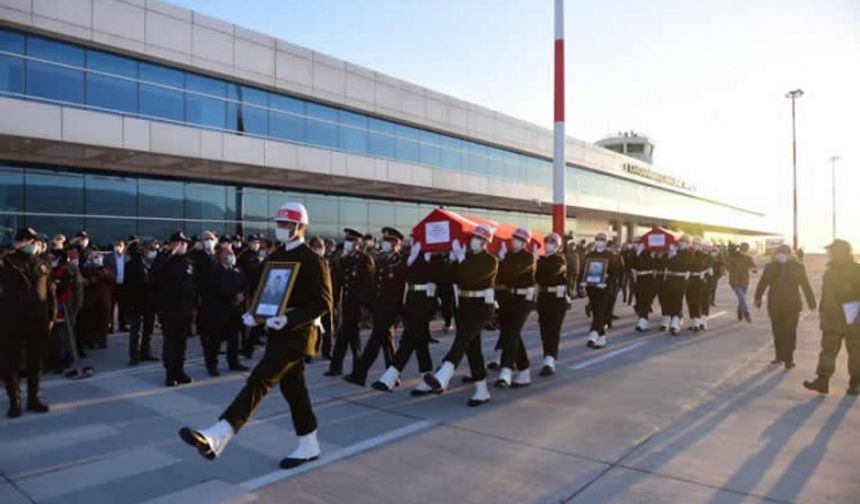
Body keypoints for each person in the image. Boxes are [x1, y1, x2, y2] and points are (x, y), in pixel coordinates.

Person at [179, 202, 332, 469]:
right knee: (294, 391)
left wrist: (289, 318)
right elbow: (266, 292)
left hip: (297, 335)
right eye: (279, 224)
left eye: (286, 224)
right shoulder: (274, 258)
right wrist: (256, 313)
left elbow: (323, 303)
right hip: (276, 331)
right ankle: (309, 443)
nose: (281, 229)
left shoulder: (313, 260)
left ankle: (219, 434)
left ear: (300, 227)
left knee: (259, 380)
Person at [423, 224, 498, 407]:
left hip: (481, 307)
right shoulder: (465, 257)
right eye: (473, 237)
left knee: (463, 340)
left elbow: (473, 276)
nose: (474, 241)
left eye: (478, 238)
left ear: (485, 242)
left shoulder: (490, 260)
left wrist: (462, 258)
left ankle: (443, 376)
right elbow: (448, 278)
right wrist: (447, 259)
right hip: (464, 306)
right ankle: (482, 390)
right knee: (472, 349)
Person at [0, 227, 56, 418]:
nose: (33, 245)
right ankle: (14, 401)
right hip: (12, 319)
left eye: (34, 241)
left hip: (37, 320)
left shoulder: (42, 263)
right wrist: (11, 247)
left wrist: (51, 316)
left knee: (36, 361)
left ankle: (33, 398)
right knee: (11, 362)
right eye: (30, 241)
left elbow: (50, 292)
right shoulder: (7, 261)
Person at [371, 240, 440, 393]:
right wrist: (409, 260)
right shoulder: (410, 256)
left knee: (408, 340)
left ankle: (390, 377)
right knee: (420, 342)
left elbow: (443, 279)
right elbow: (400, 275)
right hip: (411, 301)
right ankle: (427, 377)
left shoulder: (437, 257)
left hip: (426, 302)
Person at [344, 228, 407, 386]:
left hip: (391, 309)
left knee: (374, 341)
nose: (385, 244)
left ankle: (360, 374)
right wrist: (369, 306)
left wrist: (400, 312)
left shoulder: (400, 262)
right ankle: (392, 375)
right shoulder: (381, 259)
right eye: (385, 240)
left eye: (389, 241)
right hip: (379, 307)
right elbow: (375, 286)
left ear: (397, 244)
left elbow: (401, 289)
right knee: (386, 342)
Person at [803, 239, 860, 395]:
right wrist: (823, 313)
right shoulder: (829, 272)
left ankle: (855, 383)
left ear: (843, 252)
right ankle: (823, 381)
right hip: (832, 317)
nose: (830, 255)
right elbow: (826, 296)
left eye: (833, 252)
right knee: (828, 351)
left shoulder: (857, 270)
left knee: (855, 351)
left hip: (852, 315)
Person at [753, 244, 816, 369]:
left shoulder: (798, 267)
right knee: (777, 330)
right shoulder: (770, 267)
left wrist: (811, 301)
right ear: (775, 255)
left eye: (784, 253)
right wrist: (758, 298)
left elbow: (805, 285)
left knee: (790, 331)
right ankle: (779, 356)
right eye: (779, 253)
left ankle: (789, 358)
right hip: (774, 304)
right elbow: (762, 283)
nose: (781, 255)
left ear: (790, 255)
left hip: (792, 304)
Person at [324, 228, 375, 377]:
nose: (347, 243)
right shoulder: (344, 260)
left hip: (357, 305)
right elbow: (338, 283)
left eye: (350, 241)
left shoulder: (365, 259)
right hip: (346, 304)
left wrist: (366, 307)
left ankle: (345, 368)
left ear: (357, 243)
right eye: (346, 240)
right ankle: (348, 368)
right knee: (349, 337)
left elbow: (369, 285)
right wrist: (334, 304)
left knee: (346, 337)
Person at [494, 227, 537, 388]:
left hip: (522, 300)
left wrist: (502, 260)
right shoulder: (507, 256)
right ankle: (524, 371)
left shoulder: (528, 257)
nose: (514, 241)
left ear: (525, 242)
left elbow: (514, 271)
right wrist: (501, 259)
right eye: (514, 238)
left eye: (518, 239)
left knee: (512, 333)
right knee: (509, 334)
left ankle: (505, 371)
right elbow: (499, 276)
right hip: (506, 299)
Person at [153, 231, 196, 387]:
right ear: (172, 244)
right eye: (180, 243)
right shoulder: (164, 260)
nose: (183, 245)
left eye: (185, 243)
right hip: (169, 309)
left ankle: (180, 371)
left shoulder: (188, 262)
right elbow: (154, 275)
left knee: (181, 343)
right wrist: (168, 253)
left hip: (185, 308)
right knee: (170, 343)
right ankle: (170, 374)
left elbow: (193, 284)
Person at [200, 243, 249, 376]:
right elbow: (213, 290)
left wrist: (242, 295)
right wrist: (233, 296)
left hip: (235, 310)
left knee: (234, 338)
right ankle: (212, 365)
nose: (230, 255)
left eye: (231, 252)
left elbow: (245, 284)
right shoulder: (213, 270)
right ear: (220, 254)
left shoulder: (237, 269)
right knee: (214, 340)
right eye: (227, 252)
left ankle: (233, 362)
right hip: (219, 311)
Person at [580, 232, 622, 348]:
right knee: (596, 311)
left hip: (604, 289)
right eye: (598, 239)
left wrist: (607, 282)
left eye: (602, 239)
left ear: (605, 242)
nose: (599, 241)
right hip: (592, 288)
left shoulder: (611, 256)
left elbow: (615, 273)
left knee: (600, 312)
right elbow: (583, 270)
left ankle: (593, 335)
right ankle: (602, 338)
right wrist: (582, 282)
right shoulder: (590, 255)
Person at [535, 233, 569, 376]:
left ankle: (550, 360)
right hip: (543, 297)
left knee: (553, 329)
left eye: (552, 242)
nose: (548, 244)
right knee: (544, 330)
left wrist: (537, 262)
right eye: (547, 242)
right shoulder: (541, 260)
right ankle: (546, 357)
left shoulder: (559, 260)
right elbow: (536, 277)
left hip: (556, 299)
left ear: (557, 246)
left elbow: (550, 273)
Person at [125, 239, 160, 365]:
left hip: (151, 303)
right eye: (150, 249)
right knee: (136, 331)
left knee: (149, 330)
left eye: (155, 249)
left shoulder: (157, 264)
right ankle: (134, 356)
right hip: (136, 302)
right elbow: (127, 286)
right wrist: (128, 304)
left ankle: (146, 352)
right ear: (143, 250)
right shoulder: (132, 265)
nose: (153, 252)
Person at [80, 251, 116, 349]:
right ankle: (91, 341)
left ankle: (102, 341)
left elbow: (113, 281)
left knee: (103, 320)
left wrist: (105, 274)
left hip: (104, 299)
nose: (97, 259)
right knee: (91, 321)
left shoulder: (106, 269)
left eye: (98, 257)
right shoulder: (86, 269)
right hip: (91, 299)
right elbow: (85, 281)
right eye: (95, 257)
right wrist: (90, 279)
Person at [237, 234, 265, 358]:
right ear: (248, 243)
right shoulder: (244, 257)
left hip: (258, 291)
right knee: (247, 322)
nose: (256, 244)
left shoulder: (259, 256)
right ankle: (245, 347)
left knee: (257, 321)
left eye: (257, 242)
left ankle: (251, 344)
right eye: (253, 242)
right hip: (248, 293)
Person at [660, 236, 693, 335]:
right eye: (681, 242)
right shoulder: (673, 251)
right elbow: (666, 264)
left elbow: (685, 264)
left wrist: (674, 257)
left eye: (684, 242)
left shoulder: (689, 253)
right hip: (670, 278)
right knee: (669, 300)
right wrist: (668, 256)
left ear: (687, 244)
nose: (681, 243)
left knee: (677, 300)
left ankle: (675, 323)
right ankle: (673, 319)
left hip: (681, 279)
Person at [630, 237, 660, 332]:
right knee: (639, 300)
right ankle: (642, 320)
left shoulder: (648, 252)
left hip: (648, 279)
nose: (635, 244)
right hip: (637, 279)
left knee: (646, 300)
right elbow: (630, 265)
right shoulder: (633, 253)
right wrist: (637, 255)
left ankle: (643, 321)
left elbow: (654, 265)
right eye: (634, 242)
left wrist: (653, 255)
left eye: (637, 243)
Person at [685, 237, 714, 332]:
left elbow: (706, 267)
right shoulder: (689, 254)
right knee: (691, 300)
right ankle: (695, 322)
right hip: (691, 280)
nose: (694, 245)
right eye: (693, 243)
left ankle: (702, 322)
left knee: (703, 300)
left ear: (701, 246)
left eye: (697, 244)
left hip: (703, 281)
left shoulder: (706, 256)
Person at [726, 242, 757, 323]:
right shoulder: (733, 257)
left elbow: (754, 267)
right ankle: (746, 314)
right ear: (740, 249)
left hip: (744, 281)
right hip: (734, 281)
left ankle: (739, 311)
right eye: (743, 249)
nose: (744, 251)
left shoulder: (748, 258)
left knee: (741, 298)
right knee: (741, 296)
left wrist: (753, 269)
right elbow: (728, 267)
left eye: (745, 250)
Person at [106, 239, 130, 333]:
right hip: (112, 285)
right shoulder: (108, 257)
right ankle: (109, 326)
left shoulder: (127, 257)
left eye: (120, 245)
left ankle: (123, 325)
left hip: (123, 285)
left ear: (124, 247)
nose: (118, 247)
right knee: (110, 307)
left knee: (123, 306)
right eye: (116, 245)